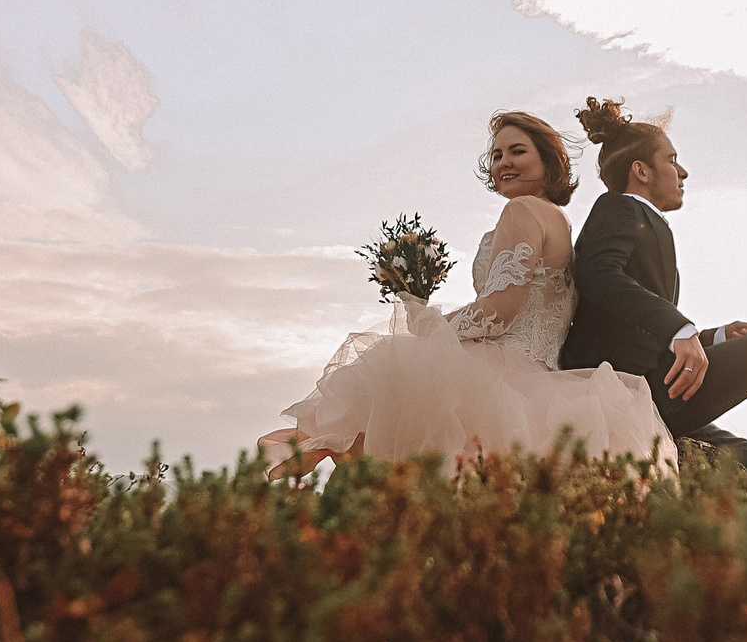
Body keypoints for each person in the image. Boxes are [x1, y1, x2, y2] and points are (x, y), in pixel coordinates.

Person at [260, 111, 676, 476]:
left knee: (384, 422)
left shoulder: (523, 210)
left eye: (517, 151)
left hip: (502, 369)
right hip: (541, 376)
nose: (504, 162)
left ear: (548, 162)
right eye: (496, 155)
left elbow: (501, 311)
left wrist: (432, 329)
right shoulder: (560, 221)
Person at [559, 97, 747, 478]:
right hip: (625, 390)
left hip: (655, 386)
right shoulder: (617, 207)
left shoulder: (647, 222)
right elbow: (596, 273)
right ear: (641, 171)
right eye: (671, 160)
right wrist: (679, 327)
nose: (682, 172)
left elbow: (640, 332)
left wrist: (714, 337)